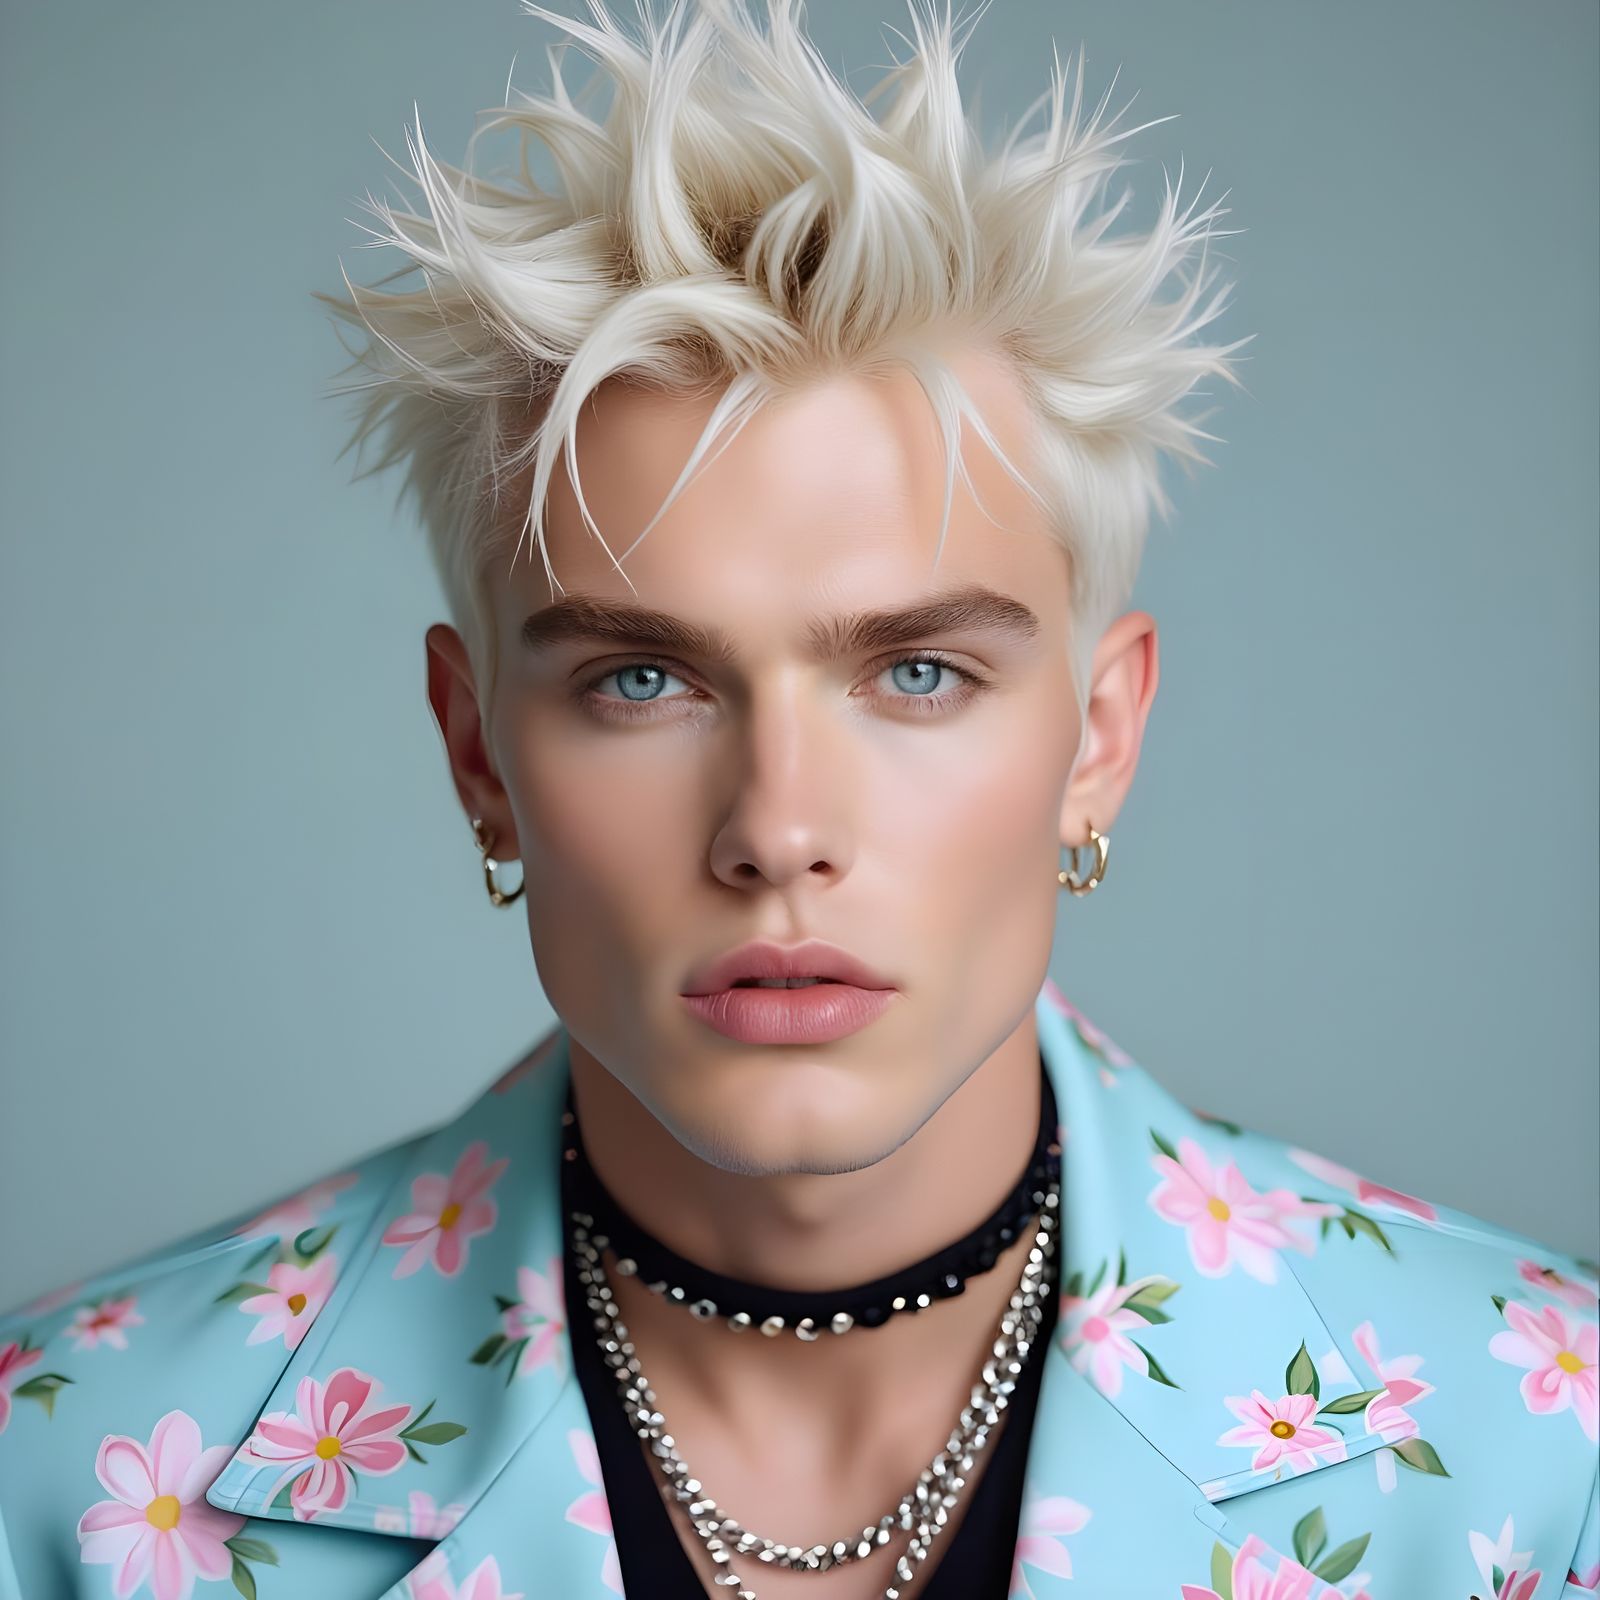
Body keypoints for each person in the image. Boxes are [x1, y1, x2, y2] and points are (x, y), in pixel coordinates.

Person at [2, 2, 1596, 1596]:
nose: (776, 828)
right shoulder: (70, 1487)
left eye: (917, 675)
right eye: (642, 680)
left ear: (1097, 739)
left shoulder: (1543, 1453)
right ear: (478, 755)